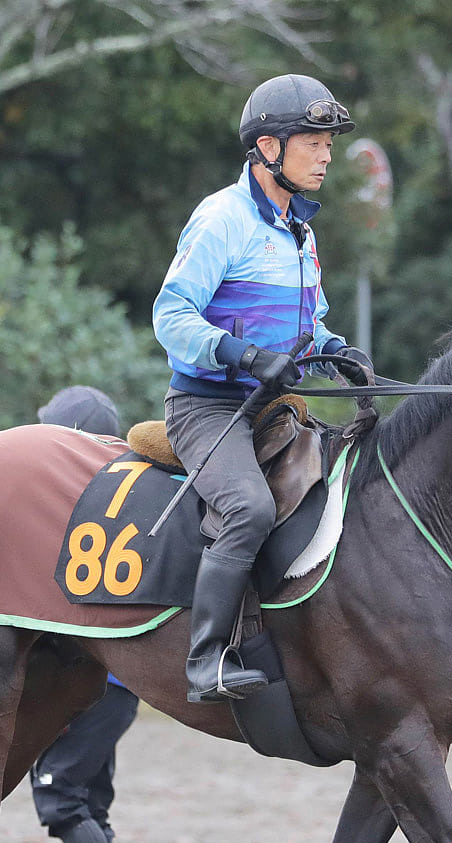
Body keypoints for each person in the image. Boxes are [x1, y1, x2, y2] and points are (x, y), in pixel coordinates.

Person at [152, 74, 372, 704]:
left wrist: (335, 351)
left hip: (272, 408)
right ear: (269, 147)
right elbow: (171, 318)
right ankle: (206, 661)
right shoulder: (221, 220)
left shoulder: (300, 230)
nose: (326, 153)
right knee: (248, 508)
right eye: (314, 141)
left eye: (329, 142)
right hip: (208, 407)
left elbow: (309, 324)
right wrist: (241, 353)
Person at [29, 386, 155, 843]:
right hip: (119, 684)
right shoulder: (122, 500)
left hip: (95, 682)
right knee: (89, 800)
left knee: (57, 792)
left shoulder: (71, 505)